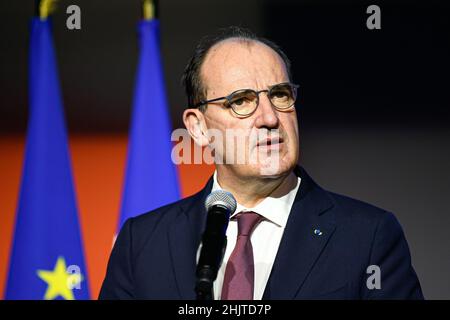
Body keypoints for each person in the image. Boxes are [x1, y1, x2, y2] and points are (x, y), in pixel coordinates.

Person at [99, 26, 423, 300]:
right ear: (198, 128)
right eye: (241, 101)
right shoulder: (141, 243)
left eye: (280, 95)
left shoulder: (368, 237)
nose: (270, 118)